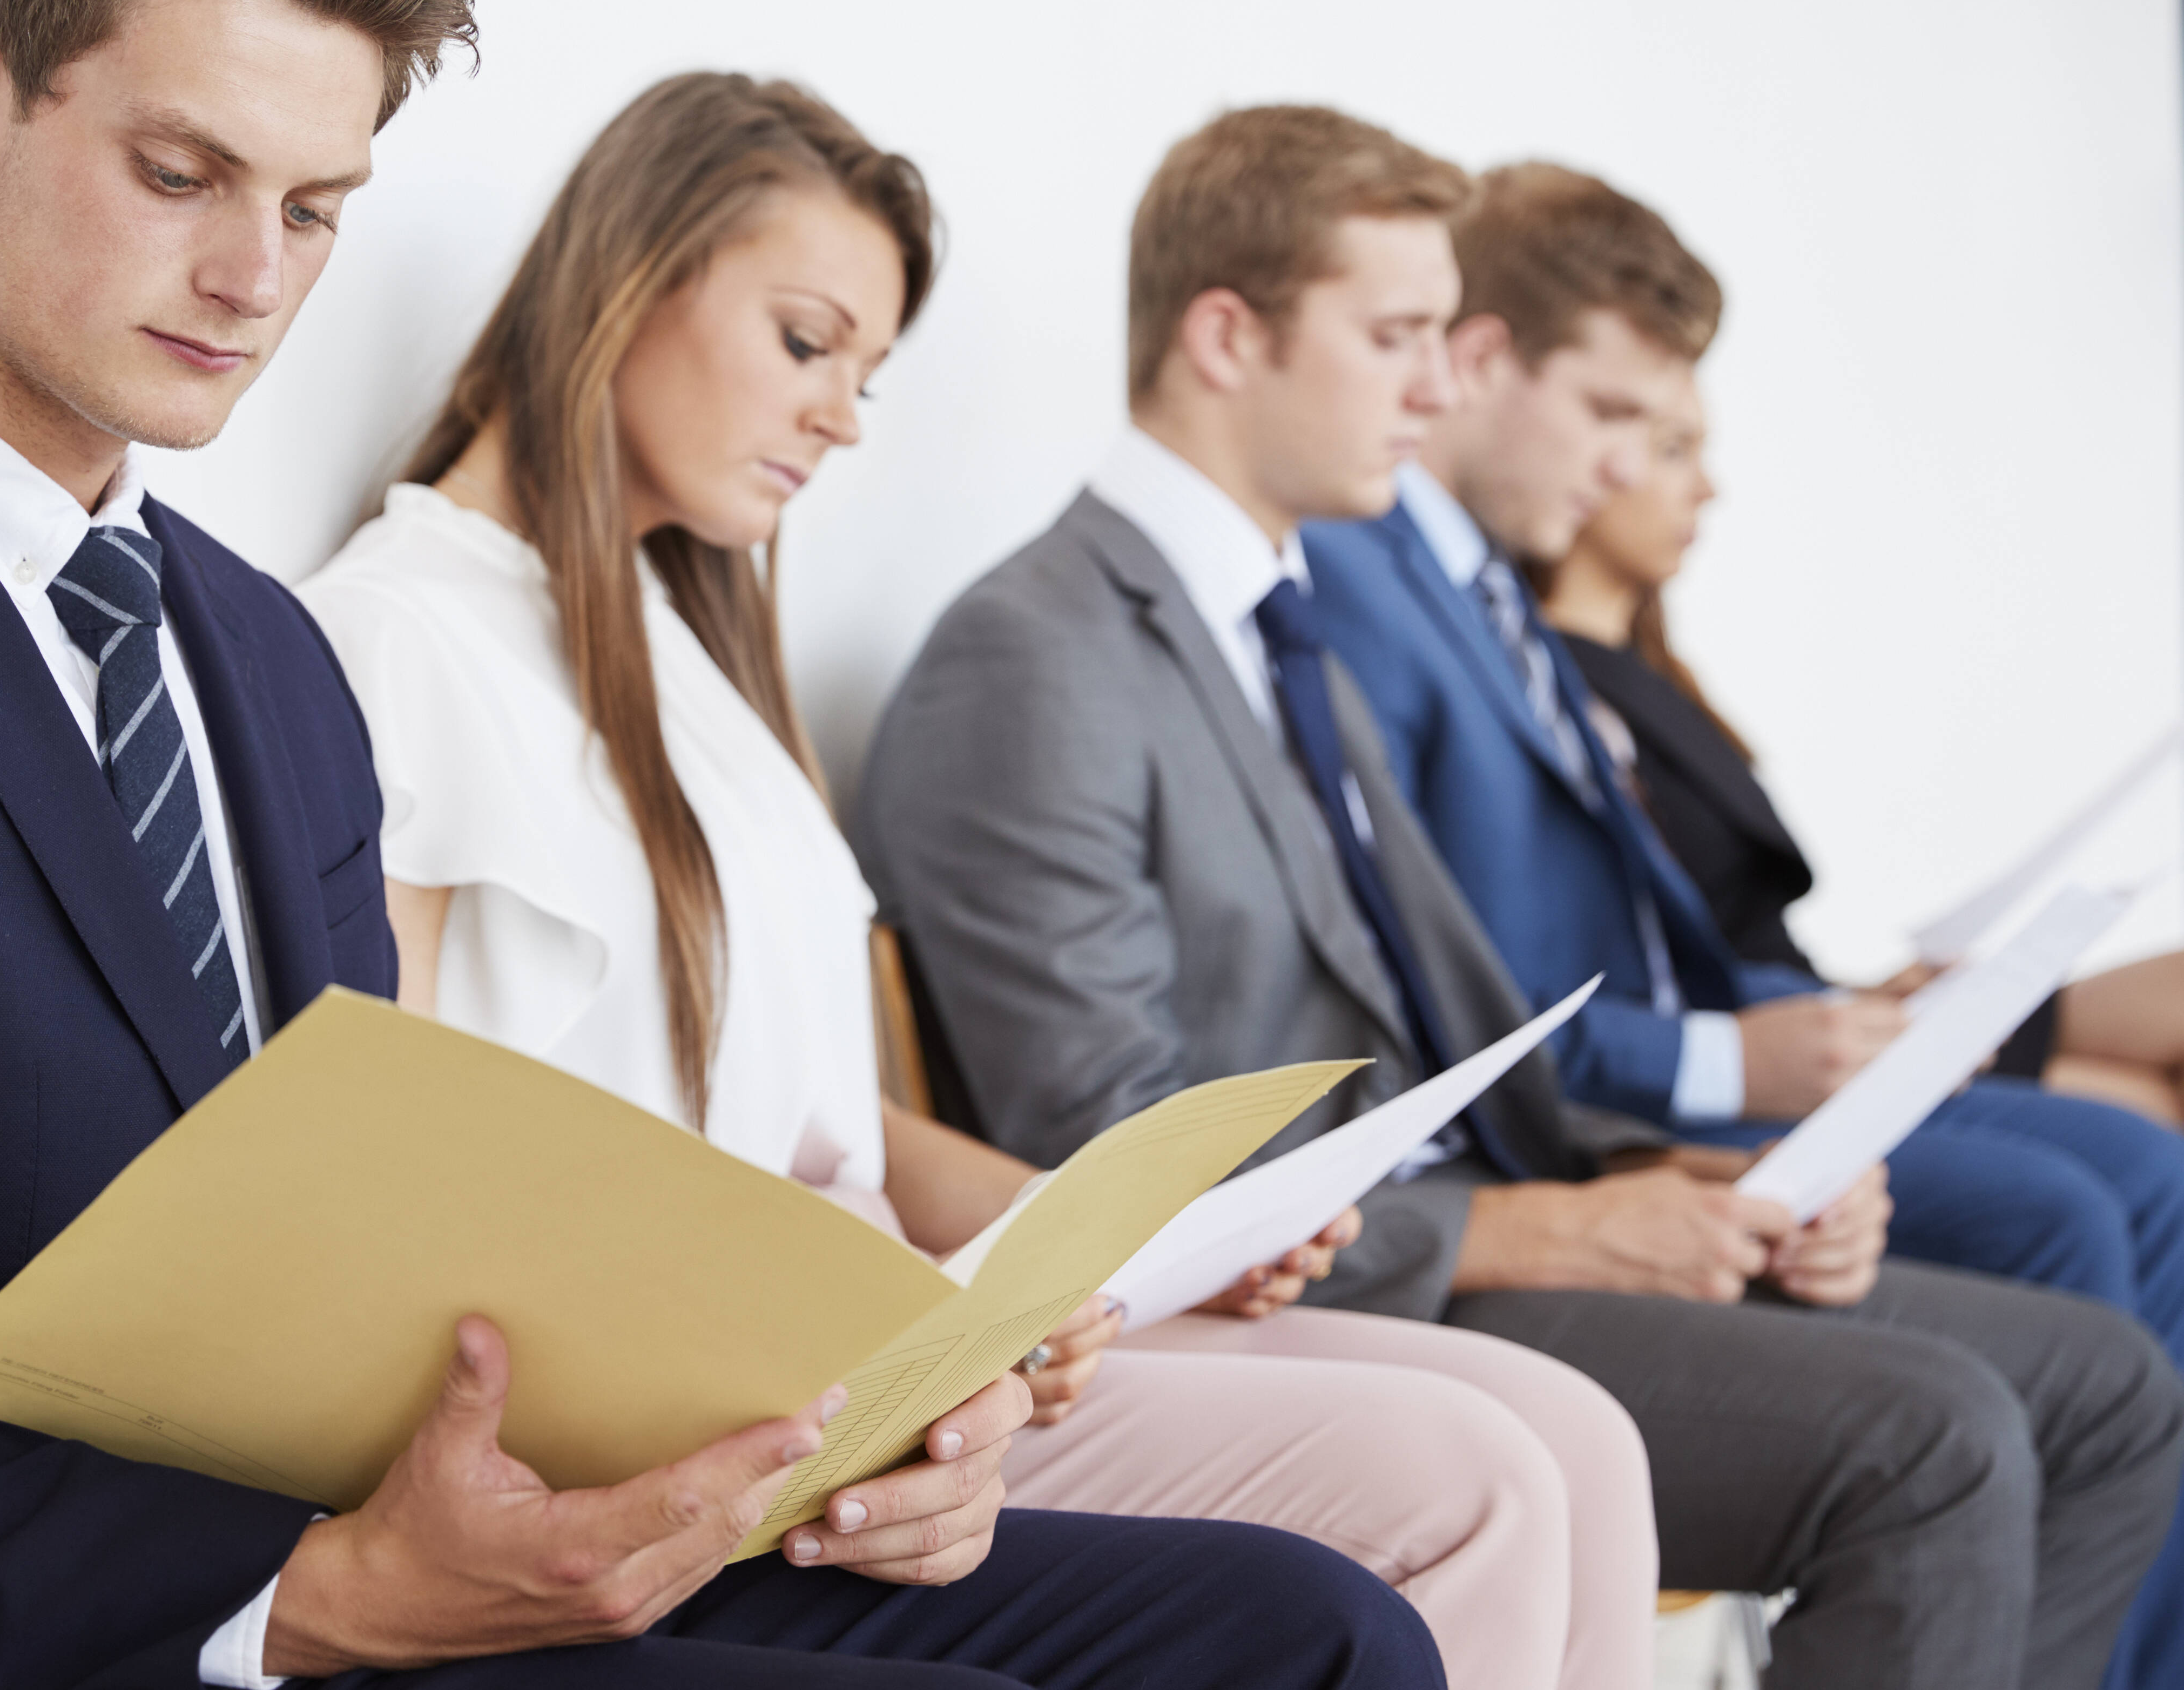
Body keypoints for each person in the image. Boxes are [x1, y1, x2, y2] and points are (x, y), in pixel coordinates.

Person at [0, 0, 1446, 1689]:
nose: (249, 277)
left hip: (394, 1558)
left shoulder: (254, 655)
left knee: (1302, 1631)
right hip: (85, 1625)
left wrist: (847, 1422)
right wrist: (311, 1589)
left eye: (316, 208)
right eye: (180, 171)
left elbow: (384, 1261)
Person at [300, 71, 1647, 1690]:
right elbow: (399, 1189)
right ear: (621, 284)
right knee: (1476, 1477)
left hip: (859, 1355)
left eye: (866, 373)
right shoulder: (393, 643)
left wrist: (1084, 1247)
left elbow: (834, 1132)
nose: (843, 418)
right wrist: (910, 1340)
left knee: (1555, 1438)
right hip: (730, 1399)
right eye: (808, 343)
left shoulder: (683, 656)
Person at [854, 103, 2184, 1690]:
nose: (1439, 386)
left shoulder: (1271, 630)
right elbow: (1101, 1144)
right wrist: (1550, 1226)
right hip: (1328, 1280)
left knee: (2107, 1387)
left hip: (1460, 1212)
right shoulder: (1041, 650)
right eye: (1399, 335)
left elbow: (1459, 1020)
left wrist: (1700, 1165)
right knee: (1937, 1440)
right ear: (1229, 335)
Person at [1298, 156, 2184, 1689]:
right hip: (1565, 1133)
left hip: (1640, 1097)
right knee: (2084, 1209)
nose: (1632, 469)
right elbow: (1461, 994)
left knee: (2117, 1198)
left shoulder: (1481, 603)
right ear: (1488, 365)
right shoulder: (1366, 589)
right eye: (1618, 418)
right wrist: (1719, 1081)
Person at [1540, 388, 2184, 1130]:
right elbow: (1664, 962)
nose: (1709, 489)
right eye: (1675, 451)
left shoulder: (1655, 679)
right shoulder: (1558, 697)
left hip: (1822, 1012)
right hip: (1772, 1043)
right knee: (2154, 1113)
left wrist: (1868, 997)